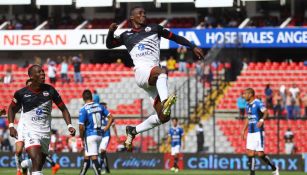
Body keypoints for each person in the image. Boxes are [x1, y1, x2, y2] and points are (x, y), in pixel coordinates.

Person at [106, 6, 204, 151]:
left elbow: (175, 37)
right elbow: (109, 45)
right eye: (140, 13)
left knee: (164, 117)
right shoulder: (126, 35)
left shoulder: (154, 28)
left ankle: (133, 131)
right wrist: (110, 32)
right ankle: (165, 101)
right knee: (162, 72)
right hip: (142, 72)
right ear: (132, 18)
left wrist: (192, 46)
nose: (143, 15)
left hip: (153, 80)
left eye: (144, 13)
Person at [8, 65, 76, 175]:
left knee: (38, 163)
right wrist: (11, 126)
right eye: (39, 72)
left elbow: (63, 109)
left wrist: (69, 125)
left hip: (45, 133)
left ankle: (24, 164)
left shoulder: (50, 90)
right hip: (30, 132)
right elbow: (11, 109)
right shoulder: (21, 93)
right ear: (31, 76)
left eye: (43, 72)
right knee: (37, 163)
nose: (43, 74)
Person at [241, 88, 279, 175]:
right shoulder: (247, 105)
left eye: (245, 94)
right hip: (250, 132)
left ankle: (274, 168)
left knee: (260, 154)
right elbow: (248, 118)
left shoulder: (258, 103)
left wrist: (261, 120)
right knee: (250, 152)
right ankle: (252, 173)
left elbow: (266, 112)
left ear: (250, 94)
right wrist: (244, 130)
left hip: (258, 131)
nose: (244, 95)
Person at [79, 90, 114, 175]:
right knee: (87, 156)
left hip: (90, 135)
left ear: (83, 98)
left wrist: (81, 137)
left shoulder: (84, 109)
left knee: (94, 158)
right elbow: (111, 117)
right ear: (91, 97)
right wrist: (105, 128)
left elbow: (81, 126)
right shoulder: (100, 106)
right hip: (99, 135)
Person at [99, 102, 119, 174]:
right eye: (104, 106)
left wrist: (117, 136)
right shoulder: (97, 115)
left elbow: (113, 126)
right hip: (99, 135)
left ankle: (99, 168)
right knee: (102, 153)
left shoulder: (109, 116)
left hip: (106, 135)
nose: (105, 107)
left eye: (105, 106)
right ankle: (107, 168)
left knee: (102, 150)